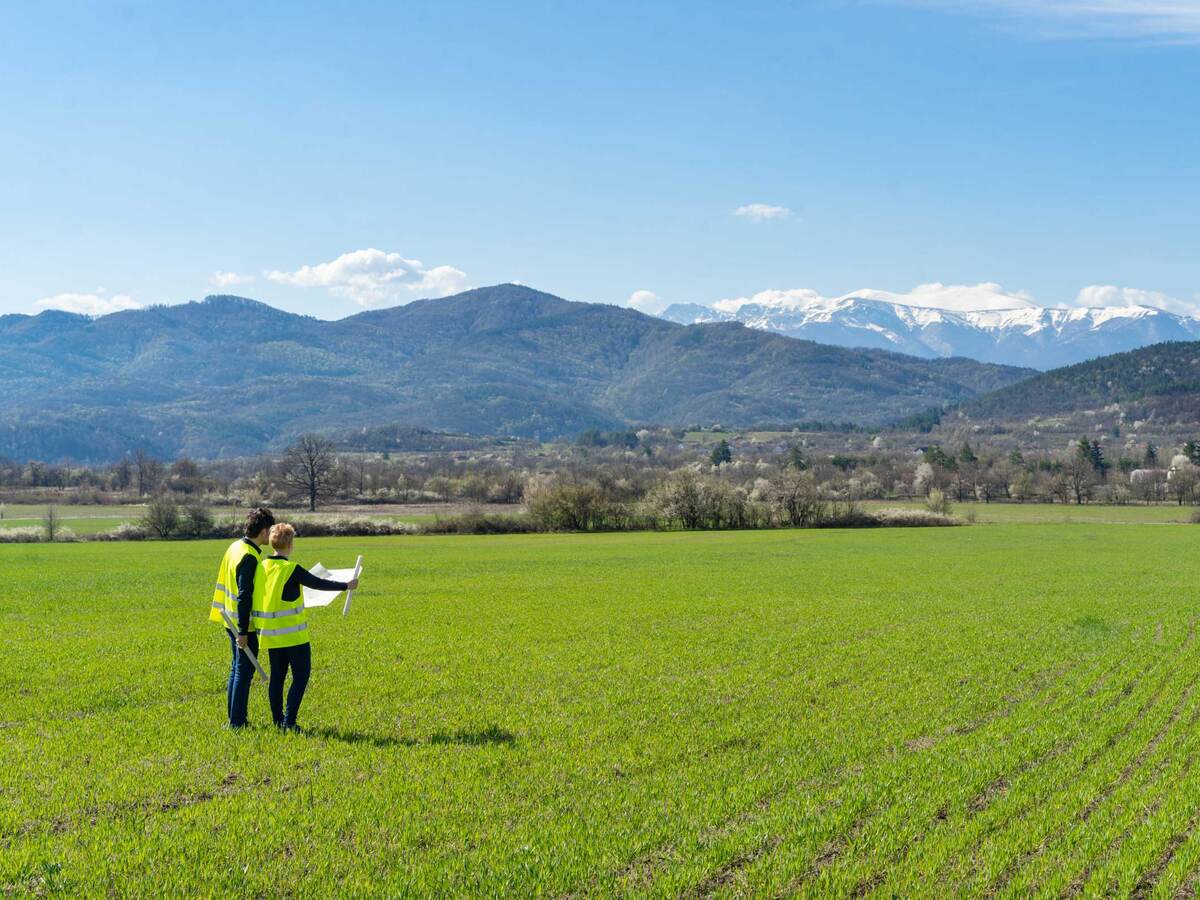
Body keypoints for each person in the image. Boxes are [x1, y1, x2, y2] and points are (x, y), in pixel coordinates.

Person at [253, 522, 358, 731]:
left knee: (277, 679)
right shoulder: (291, 569)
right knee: (300, 677)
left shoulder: (261, 567)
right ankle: (289, 722)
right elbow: (318, 583)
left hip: (270, 635)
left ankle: (277, 720)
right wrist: (346, 585)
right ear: (290, 544)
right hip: (294, 636)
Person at [210, 507, 275, 729]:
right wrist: (244, 631)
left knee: (236, 668)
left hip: (229, 618)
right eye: (270, 531)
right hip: (241, 623)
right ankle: (237, 722)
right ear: (264, 531)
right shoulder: (248, 557)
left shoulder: (236, 546)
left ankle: (233, 718)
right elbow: (244, 596)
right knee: (243, 672)